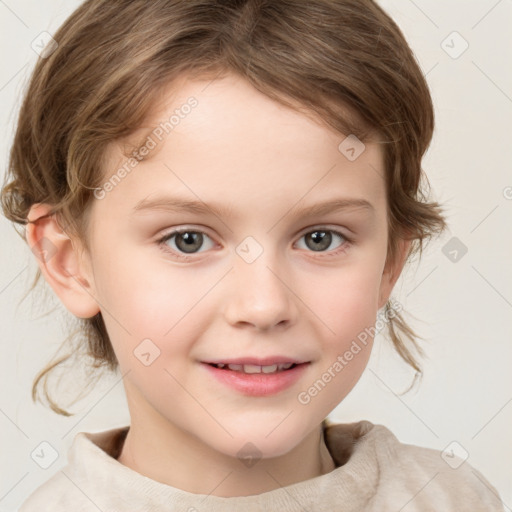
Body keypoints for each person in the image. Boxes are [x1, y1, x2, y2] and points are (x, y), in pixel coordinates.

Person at [1, 0, 505, 510]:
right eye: (188, 240)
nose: (264, 306)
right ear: (69, 262)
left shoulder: (454, 499)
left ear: (389, 263)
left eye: (320, 238)